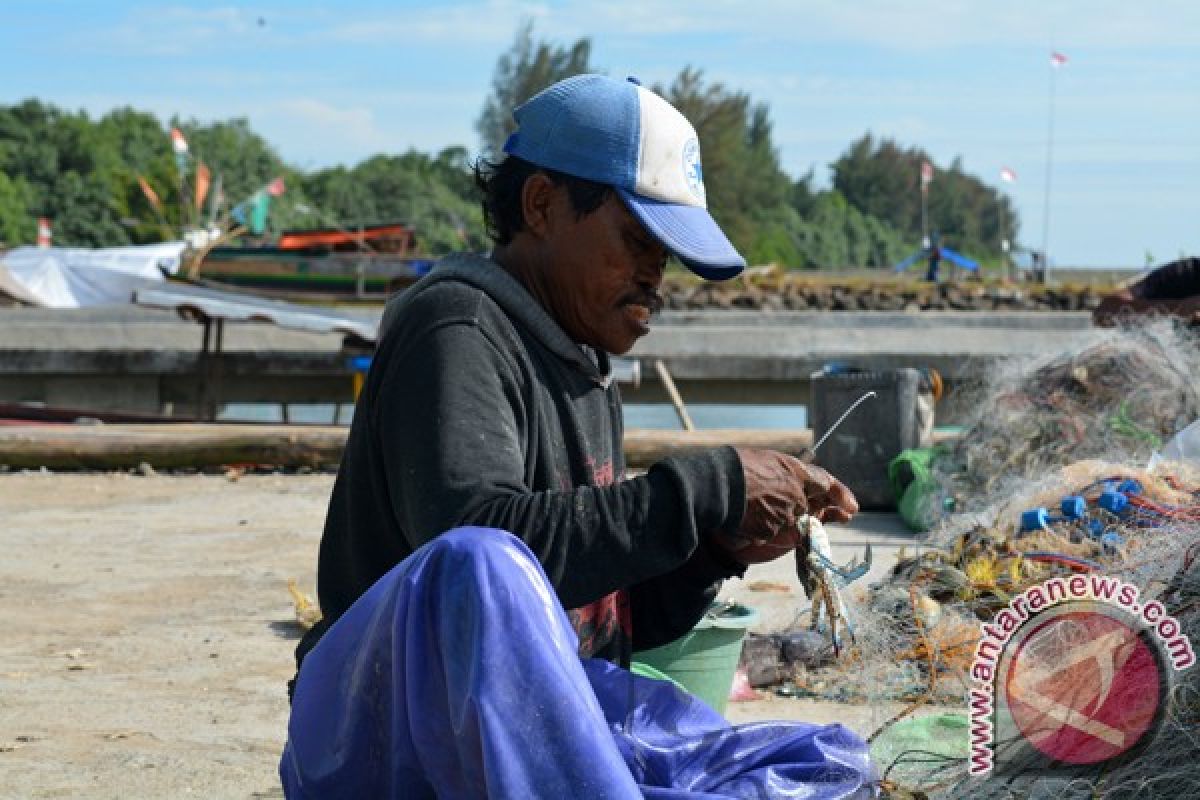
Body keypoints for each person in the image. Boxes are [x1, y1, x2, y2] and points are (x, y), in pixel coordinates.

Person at [283, 74, 869, 797]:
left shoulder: (585, 361)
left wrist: (713, 547)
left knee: (829, 765)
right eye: (637, 241)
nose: (657, 276)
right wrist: (710, 485)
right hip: (384, 740)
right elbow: (478, 567)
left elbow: (595, 619)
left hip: (522, 728)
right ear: (541, 205)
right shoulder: (459, 330)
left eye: (667, 255)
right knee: (483, 560)